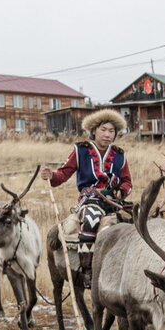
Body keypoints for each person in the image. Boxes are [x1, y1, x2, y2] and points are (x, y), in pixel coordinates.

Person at [39, 109, 132, 287]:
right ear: (94, 130)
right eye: (103, 130)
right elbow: (63, 174)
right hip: (90, 199)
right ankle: (88, 269)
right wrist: (51, 175)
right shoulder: (81, 150)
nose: (107, 134)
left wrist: (122, 190)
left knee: (138, 220)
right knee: (90, 219)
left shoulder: (120, 155)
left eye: (111, 131)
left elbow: (127, 181)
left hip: (114, 201)